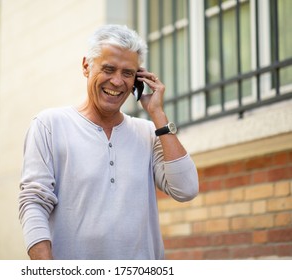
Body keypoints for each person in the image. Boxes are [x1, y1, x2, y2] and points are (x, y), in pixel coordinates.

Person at [19, 24, 198, 260]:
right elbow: (33, 204)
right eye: (108, 69)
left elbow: (186, 189)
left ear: (138, 79)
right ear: (86, 66)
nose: (117, 81)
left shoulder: (147, 133)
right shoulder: (49, 125)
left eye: (128, 73)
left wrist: (158, 115)